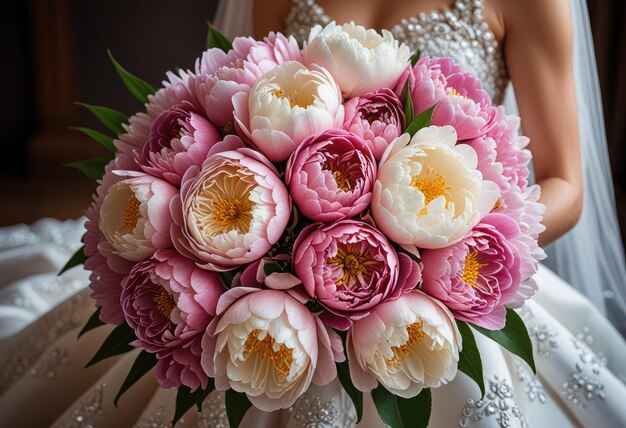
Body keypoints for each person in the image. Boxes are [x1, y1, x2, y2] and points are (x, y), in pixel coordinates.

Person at [0, 0, 625, 426]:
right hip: (266, 264)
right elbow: (236, 98)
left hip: (448, 269)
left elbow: (564, 180)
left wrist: (452, 234)